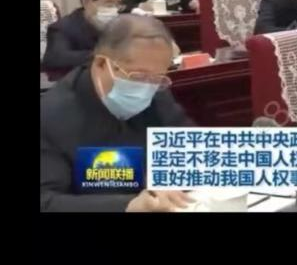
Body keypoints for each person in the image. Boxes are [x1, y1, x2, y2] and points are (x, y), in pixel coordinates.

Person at [41, 15, 194, 212]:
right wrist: (129, 205)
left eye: (158, 78)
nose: (146, 88)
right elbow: (46, 201)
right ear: (101, 64)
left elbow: (191, 148)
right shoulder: (51, 115)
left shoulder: (156, 92)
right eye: (138, 76)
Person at [42, 0, 122, 70]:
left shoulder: (121, 26)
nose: (114, 10)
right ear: (87, 3)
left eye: (118, 4)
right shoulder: (62, 28)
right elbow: (56, 58)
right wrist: (103, 55)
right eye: (109, 4)